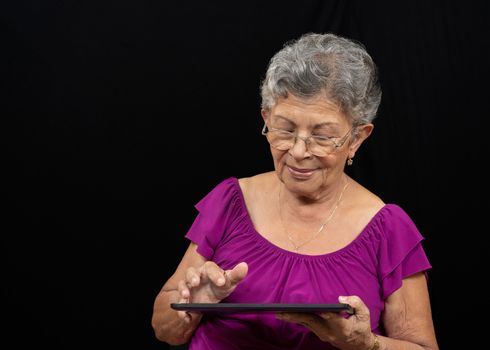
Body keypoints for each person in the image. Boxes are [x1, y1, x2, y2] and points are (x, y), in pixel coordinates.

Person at [151, 32, 439, 350]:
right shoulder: (230, 201)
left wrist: (366, 344)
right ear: (266, 119)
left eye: (323, 136)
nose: (299, 151)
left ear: (357, 138)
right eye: (285, 129)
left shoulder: (388, 229)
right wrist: (192, 305)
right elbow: (164, 329)